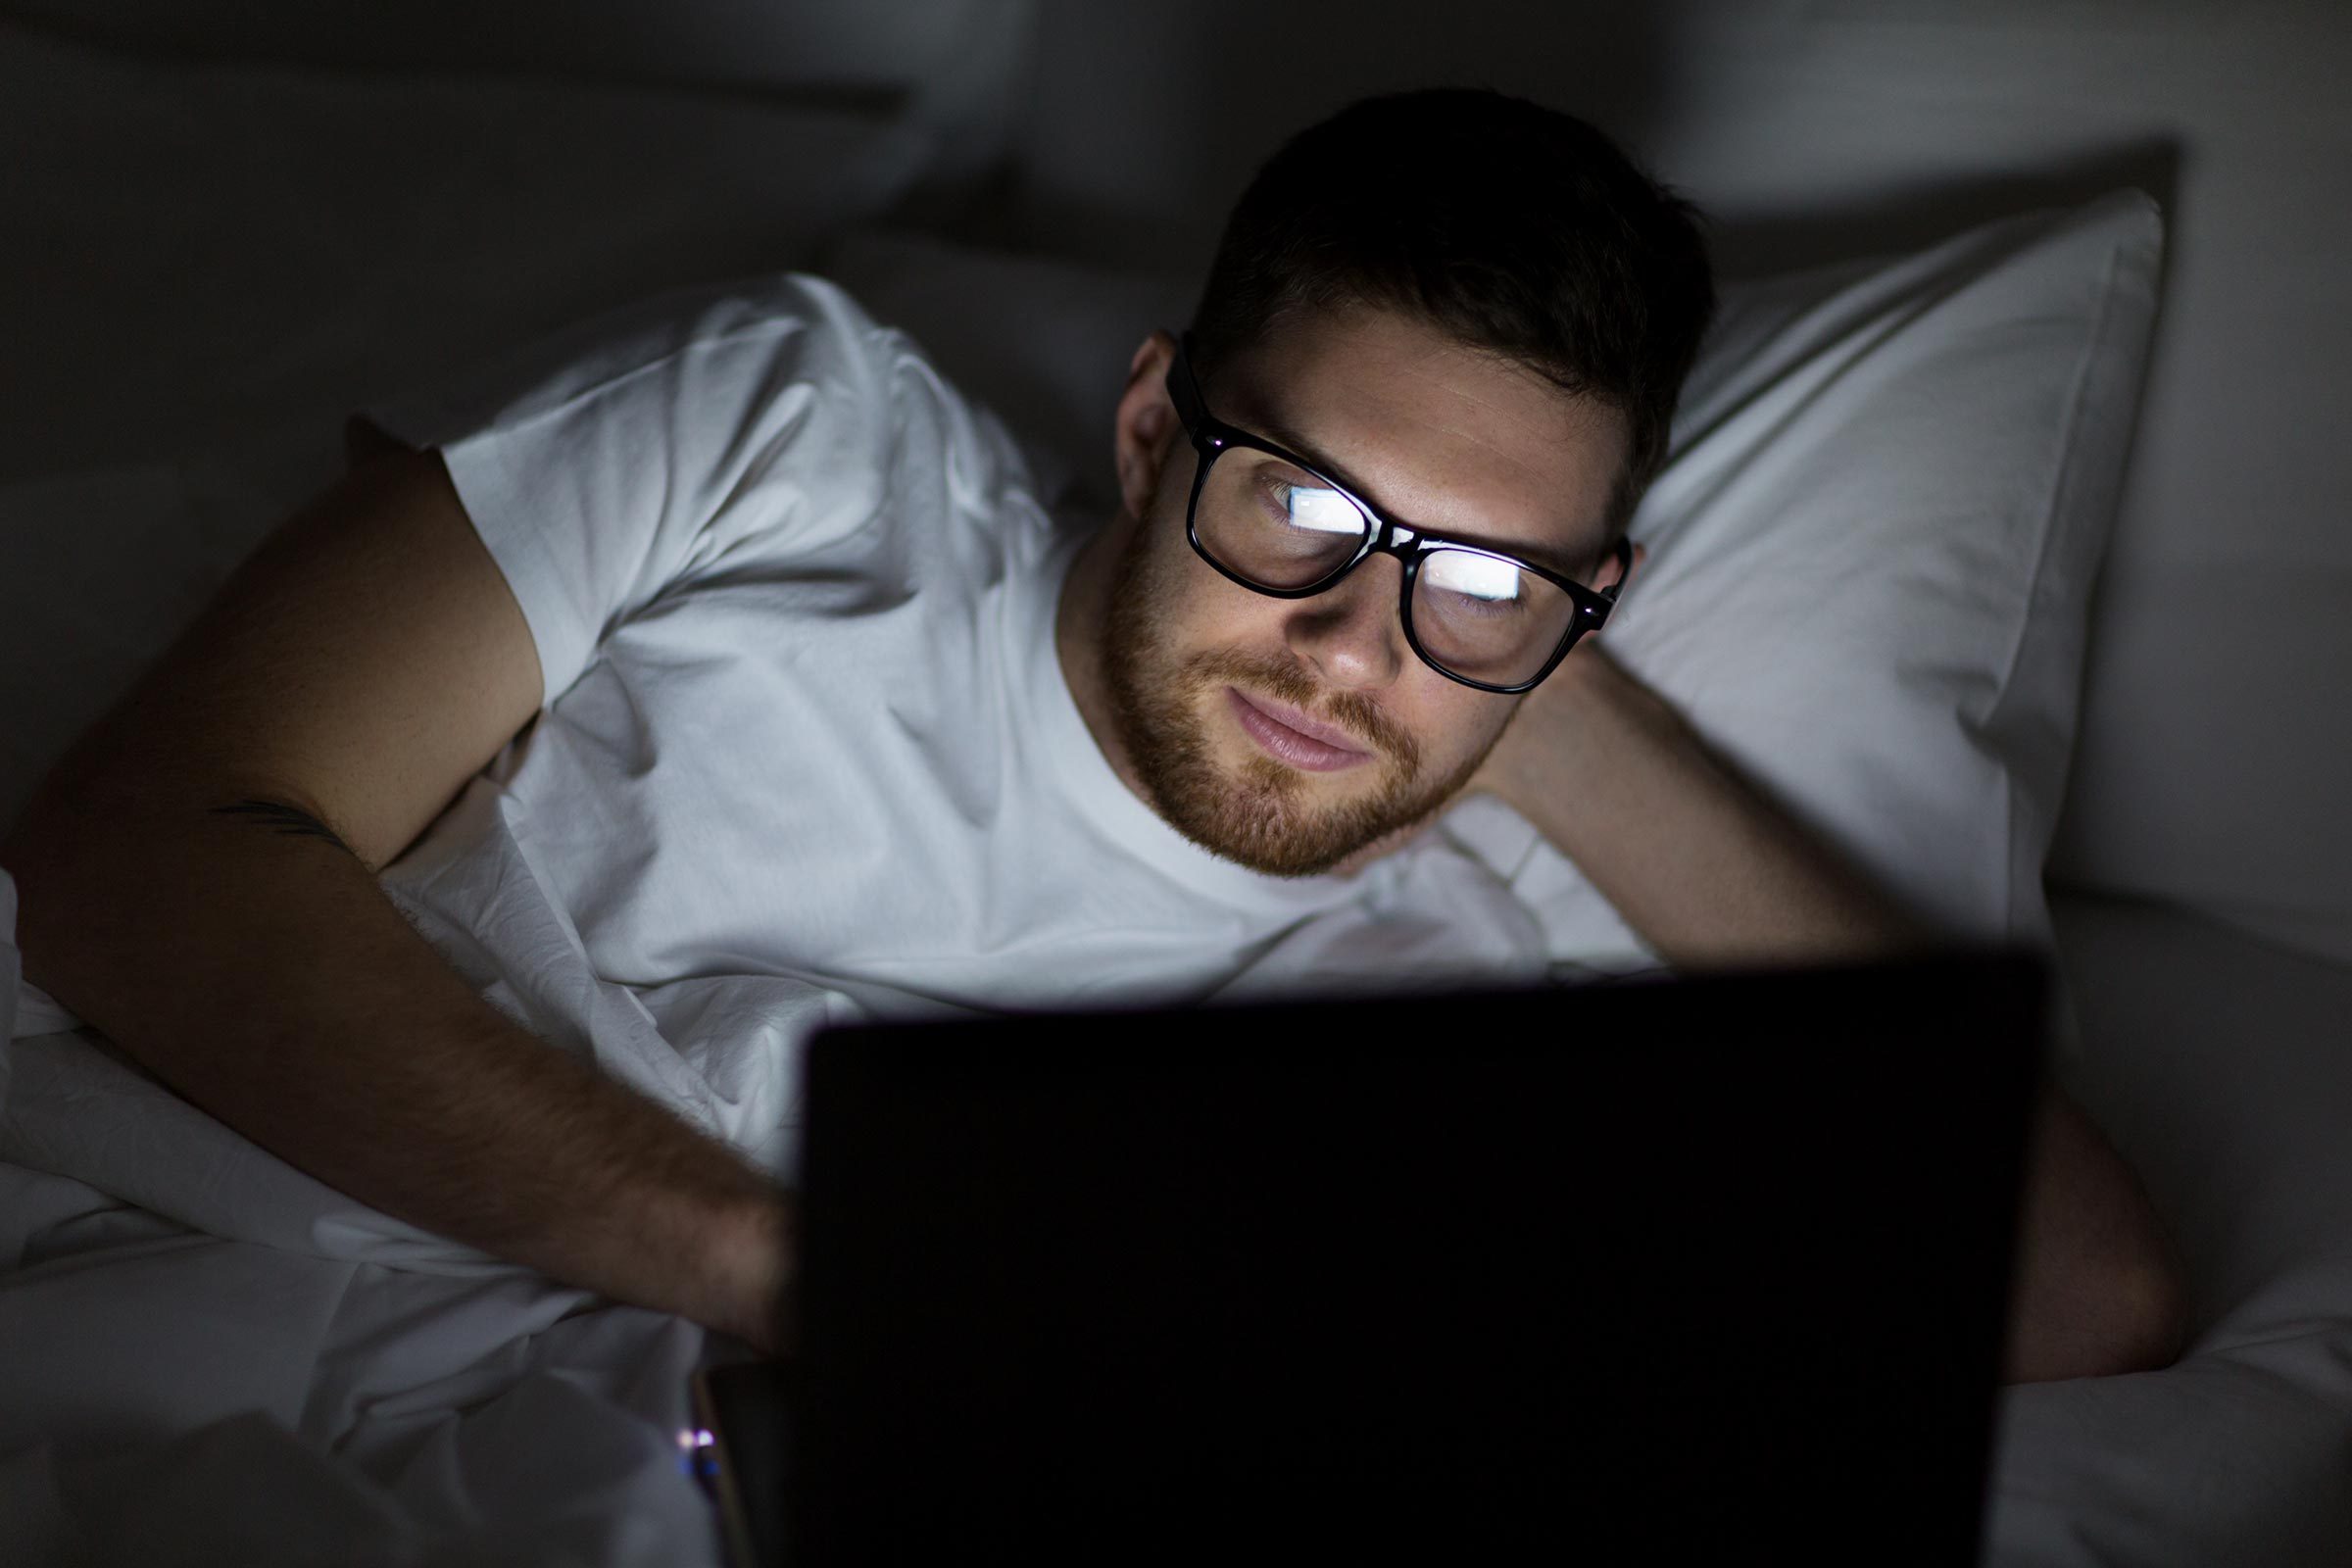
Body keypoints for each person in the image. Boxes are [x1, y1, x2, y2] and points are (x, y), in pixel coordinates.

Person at [0, 89, 2182, 1382]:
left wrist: (1504, 680)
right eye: (1305, 506)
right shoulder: (792, 436)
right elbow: (137, 856)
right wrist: (809, 1266)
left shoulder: (1461, 955)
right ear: (1154, 427)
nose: (1342, 634)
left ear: (1584, 605)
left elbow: (2073, 1287)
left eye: (1489, 567)